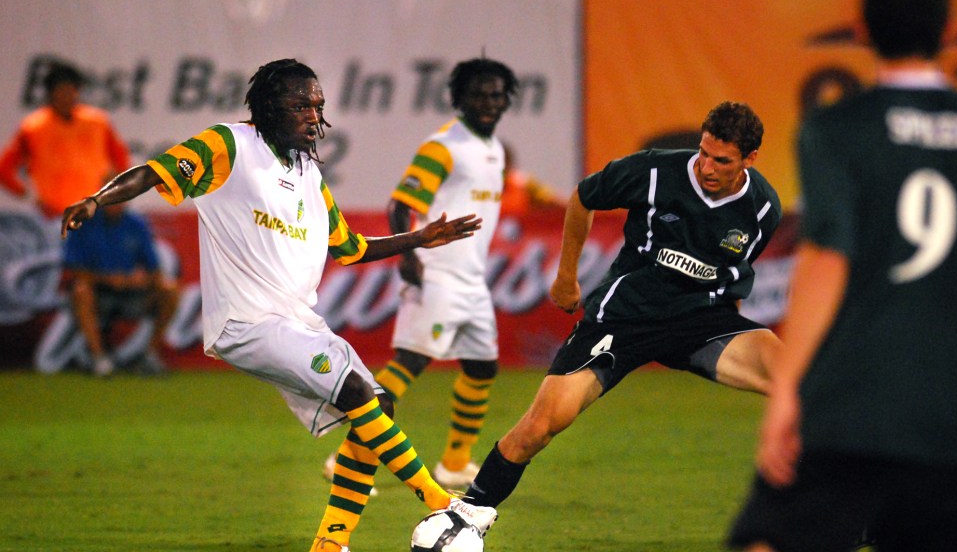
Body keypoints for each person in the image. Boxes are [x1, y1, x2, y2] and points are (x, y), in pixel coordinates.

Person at [61, 59, 498, 552]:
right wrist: (96, 200)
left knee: (380, 404)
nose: (313, 116)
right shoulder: (228, 146)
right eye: (299, 106)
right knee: (355, 389)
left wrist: (418, 237)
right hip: (246, 322)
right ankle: (442, 502)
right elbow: (152, 171)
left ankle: (330, 545)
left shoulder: (309, 172)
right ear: (268, 108)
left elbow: (349, 247)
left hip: (296, 323)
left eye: (318, 107)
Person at [726, 0, 957, 551]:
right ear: (952, 30)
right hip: (953, 424)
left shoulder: (837, 129)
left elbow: (826, 262)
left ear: (861, 30)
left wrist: (789, 390)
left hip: (850, 410)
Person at [463, 101, 783, 512]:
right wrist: (566, 275)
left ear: (749, 160)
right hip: (627, 314)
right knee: (543, 424)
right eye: (703, 153)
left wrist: (730, 325)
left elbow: (731, 268)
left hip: (699, 319)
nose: (706, 167)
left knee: (798, 383)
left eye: (721, 161)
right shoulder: (653, 172)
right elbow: (584, 196)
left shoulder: (762, 209)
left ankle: (845, 512)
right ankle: (466, 515)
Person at [364, 57, 518, 490]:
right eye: (478, 94)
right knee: (410, 363)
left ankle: (454, 462)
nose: (488, 102)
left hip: (472, 280)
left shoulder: (494, 148)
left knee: (482, 367)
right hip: (437, 275)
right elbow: (400, 204)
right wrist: (409, 256)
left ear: (507, 100)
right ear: (459, 98)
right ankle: (346, 458)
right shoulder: (443, 146)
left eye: (496, 94)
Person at [0, 61, 130, 218]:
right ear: (50, 94)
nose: (66, 97)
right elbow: (4, 169)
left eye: (70, 91)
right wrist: (29, 196)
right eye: (60, 91)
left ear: (78, 91)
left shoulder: (97, 122)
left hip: (92, 213)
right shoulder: (34, 127)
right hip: (50, 216)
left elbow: (121, 160)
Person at [62, 201, 178, 376]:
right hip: (98, 293)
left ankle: (149, 355)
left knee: (169, 289)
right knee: (80, 290)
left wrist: (138, 280)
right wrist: (107, 279)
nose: (115, 200)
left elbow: (155, 270)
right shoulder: (83, 223)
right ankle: (99, 359)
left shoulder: (136, 224)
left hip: (131, 293)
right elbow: (73, 270)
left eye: (120, 193)